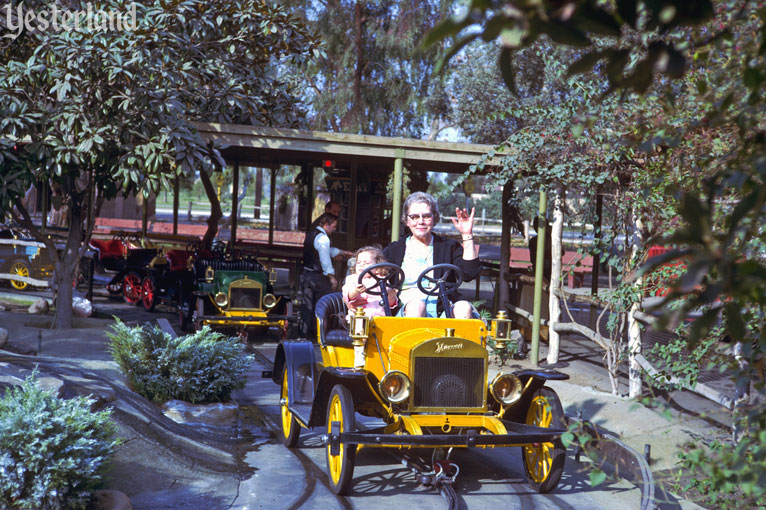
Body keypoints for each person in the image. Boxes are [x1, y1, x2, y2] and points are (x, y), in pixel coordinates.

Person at [383, 191, 480, 318]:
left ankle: (456, 338)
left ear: (435, 218)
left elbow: (469, 273)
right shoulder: (393, 250)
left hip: (443, 309)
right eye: (414, 217)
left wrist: (467, 234)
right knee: (417, 307)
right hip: (407, 311)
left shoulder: (448, 247)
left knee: (464, 307)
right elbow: (375, 279)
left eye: (427, 216)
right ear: (406, 220)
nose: (421, 221)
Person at [301, 212, 341, 336]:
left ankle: (304, 335)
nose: (334, 229)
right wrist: (332, 276)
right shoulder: (323, 238)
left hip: (306, 274)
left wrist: (341, 252)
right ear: (326, 225)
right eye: (333, 226)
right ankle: (322, 334)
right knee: (325, 305)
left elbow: (322, 250)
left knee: (307, 307)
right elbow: (325, 258)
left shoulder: (312, 235)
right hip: (317, 277)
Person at [342, 246, 398, 319]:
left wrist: (391, 294)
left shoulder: (382, 280)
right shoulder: (352, 279)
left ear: (377, 267)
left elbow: (390, 303)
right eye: (358, 262)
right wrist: (356, 291)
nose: (361, 265)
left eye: (366, 263)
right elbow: (348, 296)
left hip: (379, 318)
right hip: (358, 318)